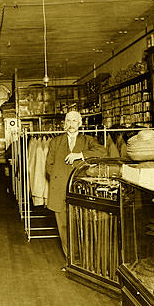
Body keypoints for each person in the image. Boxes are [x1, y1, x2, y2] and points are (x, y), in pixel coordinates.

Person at [45, 110, 107, 259]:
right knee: (64, 227)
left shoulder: (88, 140)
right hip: (59, 190)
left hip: (80, 190)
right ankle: (71, 260)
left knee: (83, 224)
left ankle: (85, 259)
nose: (71, 124)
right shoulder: (55, 142)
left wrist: (80, 155)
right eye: (68, 121)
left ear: (80, 124)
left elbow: (103, 152)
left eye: (74, 121)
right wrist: (60, 177)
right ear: (64, 124)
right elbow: (49, 166)